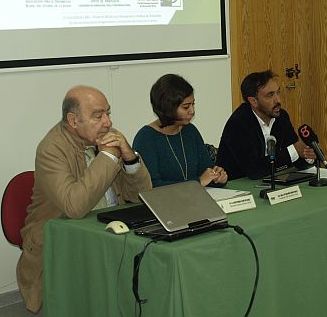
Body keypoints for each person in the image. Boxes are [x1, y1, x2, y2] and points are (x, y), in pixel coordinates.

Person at [17, 85, 152, 313]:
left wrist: (130, 159)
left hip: (110, 234)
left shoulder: (103, 138)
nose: (108, 122)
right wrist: (109, 157)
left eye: (108, 113)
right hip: (64, 243)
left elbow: (142, 196)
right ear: (73, 121)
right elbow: (75, 207)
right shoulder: (51, 149)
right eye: (98, 116)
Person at [216, 70, 316, 180]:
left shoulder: (281, 117)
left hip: (269, 181)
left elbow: (294, 158)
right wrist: (295, 150)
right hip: (237, 187)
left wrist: (307, 155)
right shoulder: (238, 123)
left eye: (278, 92)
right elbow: (253, 170)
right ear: (253, 101)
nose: (278, 100)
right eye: (270, 95)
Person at [132, 74, 228, 188]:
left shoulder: (190, 131)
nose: (192, 111)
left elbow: (206, 172)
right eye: (186, 107)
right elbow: (152, 186)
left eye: (193, 104)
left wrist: (218, 177)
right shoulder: (146, 137)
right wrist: (197, 183)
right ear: (168, 107)